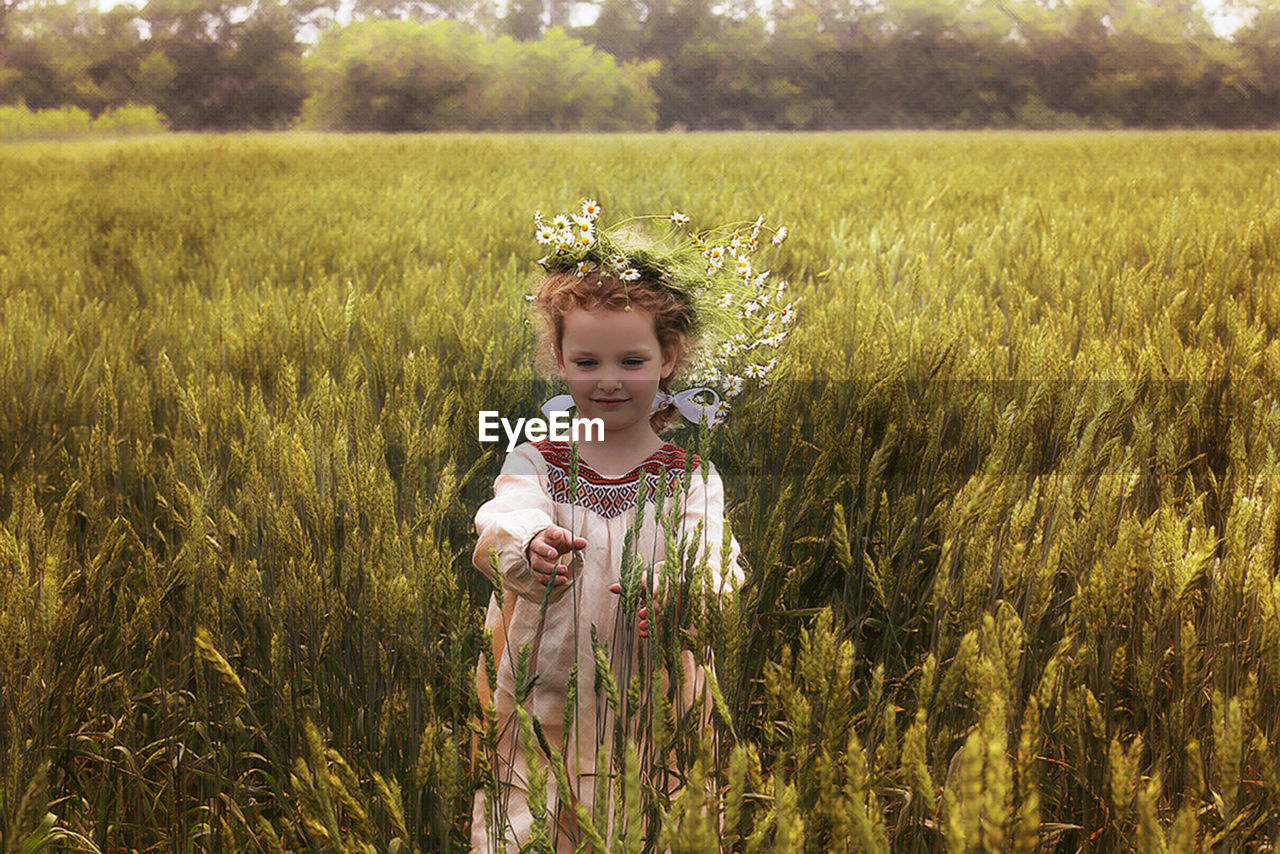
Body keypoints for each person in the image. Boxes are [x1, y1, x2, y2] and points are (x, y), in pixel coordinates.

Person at [470, 200, 792, 852]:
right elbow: (506, 514)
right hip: (549, 692)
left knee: (655, 820)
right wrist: (532, 545)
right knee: (538, 818)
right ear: (559, 360)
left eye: (632, 363)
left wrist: (685, 592)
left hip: (656, 695)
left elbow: (709, 559)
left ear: (669, 358)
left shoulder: (691, 479)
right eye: (587, 363)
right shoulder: (536, 457)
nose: (608, 381)